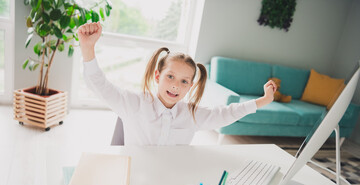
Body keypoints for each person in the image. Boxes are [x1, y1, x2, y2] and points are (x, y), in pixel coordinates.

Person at [78, 22, 277, 146]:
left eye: (184, 81)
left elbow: (226, 113)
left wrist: (263, 101)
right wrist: (88, 48)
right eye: (170, 77)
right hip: (134, 173)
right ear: (157, 76)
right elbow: (99, 85)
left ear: (190, 86)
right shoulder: (133, 103)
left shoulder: (191, 114)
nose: (175, 86)